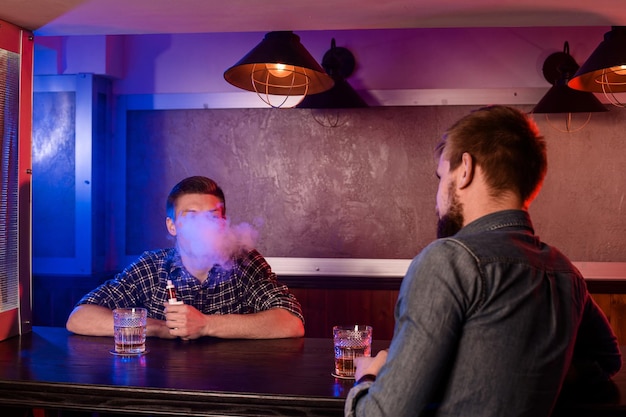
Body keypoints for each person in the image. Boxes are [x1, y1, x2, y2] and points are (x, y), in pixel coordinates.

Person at [345, 105, 622, 416]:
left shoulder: (447, 261)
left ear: (465, 169)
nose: (437, 196)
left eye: (440, 176)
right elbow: (607, 361)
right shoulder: (564, 272)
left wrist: (368, 374)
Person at [66, 176, 304, 340]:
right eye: (191, 217)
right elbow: (80, 318)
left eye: (212, 217)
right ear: (172, 226)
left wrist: (206, 325)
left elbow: (291, 322)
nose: (203, 226)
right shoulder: (152, 267)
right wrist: (160, 328)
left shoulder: (244, 261)